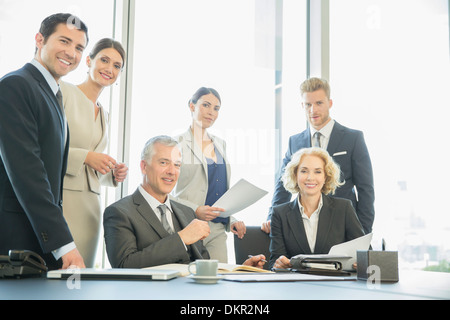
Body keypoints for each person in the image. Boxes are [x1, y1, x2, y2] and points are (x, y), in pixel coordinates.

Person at [0, 13, 89, 270]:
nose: (71, 53)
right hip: (14, 242)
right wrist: (64, 245)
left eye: (79, 47)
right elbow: (28, 173)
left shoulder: (52, 93)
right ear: (40, 39)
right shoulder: (16, 86)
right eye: (64, 41)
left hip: (37, 243)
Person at [103, 136, 265, 269]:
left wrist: (241, 270)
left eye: (177, 165)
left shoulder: (186, 213)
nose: (172, 171)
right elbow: (124, 265)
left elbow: (203, 266)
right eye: (164, 162)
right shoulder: (119, 212)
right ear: (144, 167)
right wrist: (181, 239)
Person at [262, 77, 374, 234]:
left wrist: (364, 231)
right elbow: (283, 185)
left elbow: (366, 189)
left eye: (319, 103)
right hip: (305, 224)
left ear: (330, 103)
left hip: (344, 224)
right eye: (308, 104)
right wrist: (271, 218)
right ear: (302, 105)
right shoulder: (295, 142)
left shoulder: (353, 138)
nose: (313, 110)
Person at [60, 38, 129, 268]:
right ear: (89, 61)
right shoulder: (64, 92)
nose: (110, 69)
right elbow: (46, 148)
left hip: (91, 206)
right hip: (63, 200)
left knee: (81, 275)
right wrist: (88, 157)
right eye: (104, 60)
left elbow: (92, 167)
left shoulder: (105, 114)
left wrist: (112, 173)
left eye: (117, 66)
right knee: (60, 273)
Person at [172, 87, 246, 263]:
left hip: (218, 229)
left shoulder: (220, 144)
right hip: (188, 224)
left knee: (219, 280)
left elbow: (219, 189)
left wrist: (231, 218)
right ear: (191, 106)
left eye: (216, 108)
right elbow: (166, 194)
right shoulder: (176, 143)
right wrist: (195, 210)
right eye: (206, 105)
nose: (211, 112)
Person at [269, 147, 365, 270]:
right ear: (295, 175)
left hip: (336, 285)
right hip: (296, 286)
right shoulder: (279, 214)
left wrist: (363, 264)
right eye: (304, 171)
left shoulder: (344, 208)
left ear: (326, 176)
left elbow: (365, 252)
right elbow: (274, 261)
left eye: (318, 172)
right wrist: (279, 265)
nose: (310, 177)